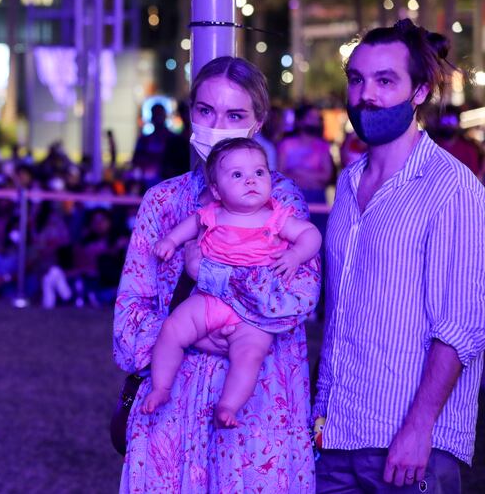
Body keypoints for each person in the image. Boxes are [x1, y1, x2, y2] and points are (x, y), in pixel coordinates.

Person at [114, 56, 319, 492]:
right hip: (170, 415)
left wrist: (208, 276)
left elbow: (295, 303)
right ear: (190, 114)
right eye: (206, 111)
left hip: (257, 417)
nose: (217, 123)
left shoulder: (283, 205)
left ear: (258, 122)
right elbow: (128, 321)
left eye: (235, 114)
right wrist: (186, 335)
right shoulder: (162, 202)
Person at [315, 18, 485, 492]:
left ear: (418, 92)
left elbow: (462, 325)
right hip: (336, 434)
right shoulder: (348, 184)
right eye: (357, 80)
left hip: (409, 447)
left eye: (385, 81)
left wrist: (418, 428)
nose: (366, 95)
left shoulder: (453, 189)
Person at [140, 138, 321, 428]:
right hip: (212, 299)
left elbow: (311, 235)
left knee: (249, 355)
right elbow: (191, 226)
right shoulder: (213, 214)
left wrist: (296, 255)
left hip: (255, 311)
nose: (251, 180)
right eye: (237, 175)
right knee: (172, 328)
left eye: (259, 172)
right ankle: (161, 386)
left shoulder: (276, 217)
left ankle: (229, 406)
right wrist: (170, 241)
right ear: (216, 190)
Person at [277, 104, 335, 203]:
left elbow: (327, 176)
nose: (315, 121)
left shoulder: (323, 146)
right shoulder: (286, 144)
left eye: (317, 118)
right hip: (290, 197)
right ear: (300, 120)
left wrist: (298, 171)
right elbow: (280, 174)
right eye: (311, 117)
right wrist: (313, 179)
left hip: (316, 196)